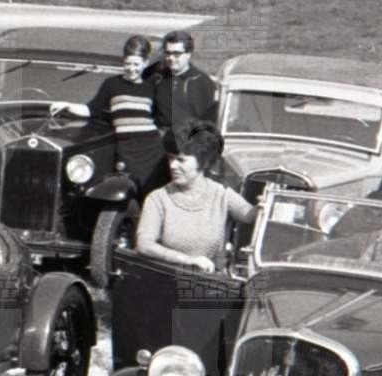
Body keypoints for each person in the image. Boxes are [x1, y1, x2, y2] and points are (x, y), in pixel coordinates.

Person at [48, 34, 166, 196]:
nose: (132, 68)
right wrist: (67, 105)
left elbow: (159, 118)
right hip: (127, 150)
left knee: (153, 193)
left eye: (136, 64)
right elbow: (91, 109)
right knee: (130, 191)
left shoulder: (151, 88)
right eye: (128, 63)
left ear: (145, 63)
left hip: (151, 149)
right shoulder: (112, 84)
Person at [135, 127, 256, 273]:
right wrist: (188, 260)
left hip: (211, 280)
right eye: (171, 158)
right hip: (167, 277)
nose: (173, 165)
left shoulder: (221, 194)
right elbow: (144, 244)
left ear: (203, 162)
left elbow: (251, 215)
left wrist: (268, 204)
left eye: (181, 160)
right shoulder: (157, 199)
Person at [148, 29, 219, 152]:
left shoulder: (203, 82)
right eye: (168, 53)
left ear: (188, 54)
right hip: (158, 144)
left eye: (176, 54)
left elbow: (210, 122)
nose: (171, 58)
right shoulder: (157, 79)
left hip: (189, 146)